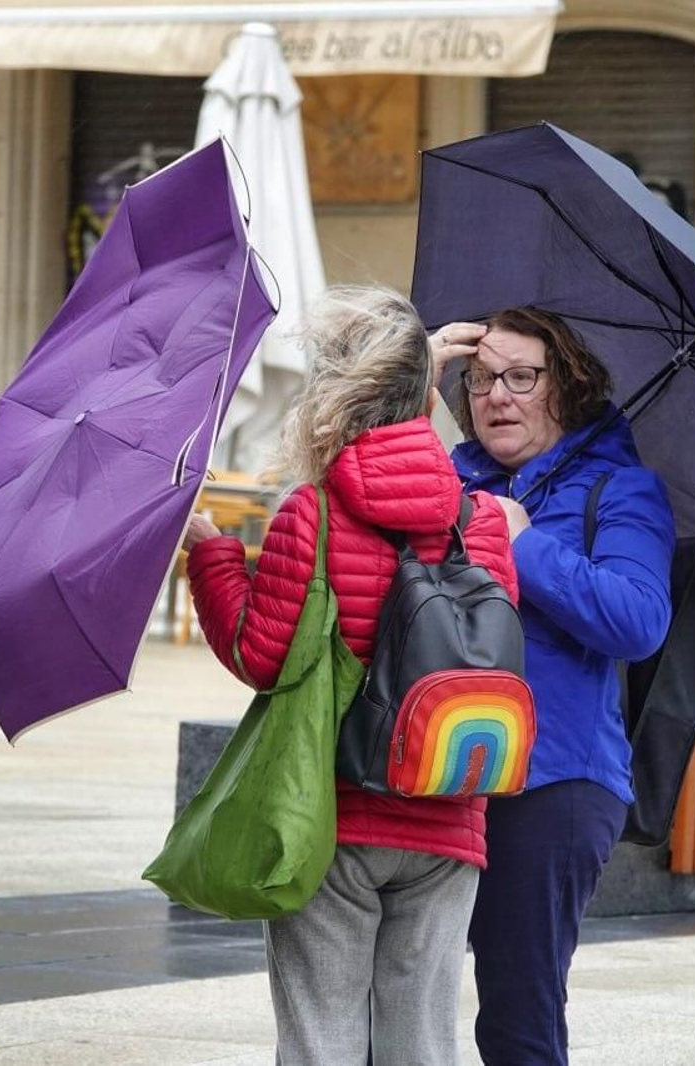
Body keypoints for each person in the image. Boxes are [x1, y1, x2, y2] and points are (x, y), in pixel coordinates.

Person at [184, 286, 519, 1065]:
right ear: (422, 392)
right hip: (449, 811)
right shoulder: (485, 522)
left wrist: (210, 555)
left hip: (336, 817)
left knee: (321, 1037)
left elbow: (259, 655)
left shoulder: (314, 512)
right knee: (423, 1044)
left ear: (334, 395)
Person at [432, 308, 675, 1064]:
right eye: (479, 379)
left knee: (517, 1009)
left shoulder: (621, 489)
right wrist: (412, 372)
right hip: (439, 771)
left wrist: (524, 543)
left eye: (521, 377)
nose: (496, 396)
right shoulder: (448, 479)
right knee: (397, 992)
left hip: (555, 778)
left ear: (566, 388)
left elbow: (638, 621)